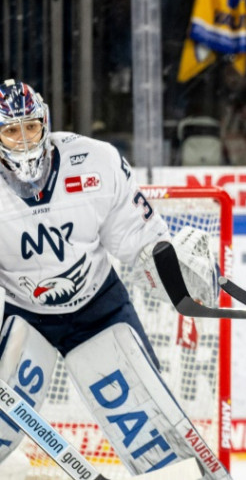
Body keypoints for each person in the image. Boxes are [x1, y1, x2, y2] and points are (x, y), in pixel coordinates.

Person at [0, 79, 230, 478]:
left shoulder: (95, 162)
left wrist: (175, 274)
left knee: (155, 446)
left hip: (98, 309)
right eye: (10, 130)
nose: (23, 140)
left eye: (31, 126)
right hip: (25, 316)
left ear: (46, 122)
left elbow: (139, 240)